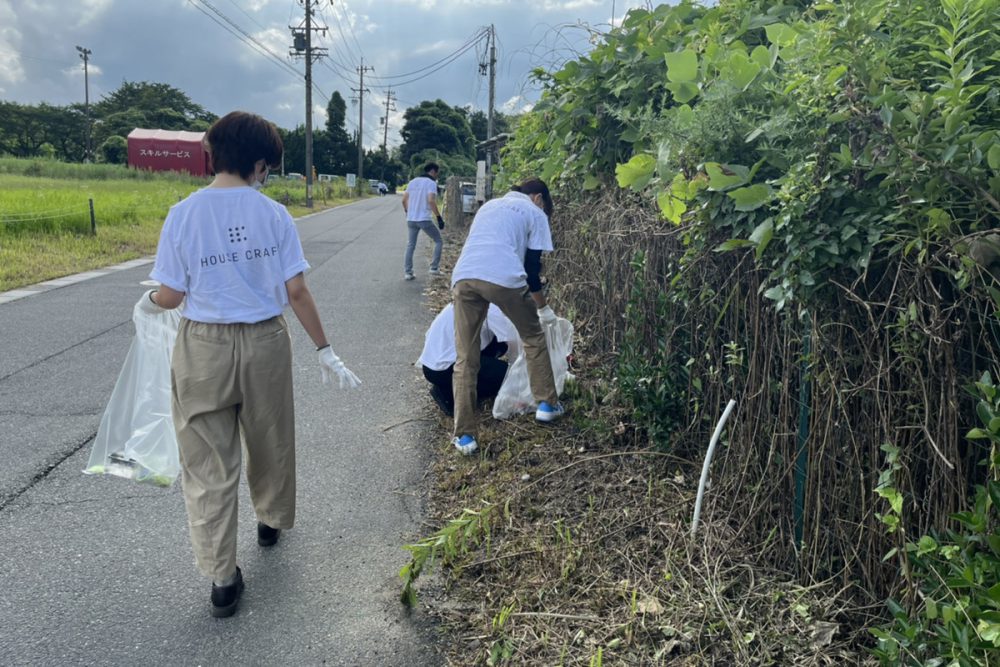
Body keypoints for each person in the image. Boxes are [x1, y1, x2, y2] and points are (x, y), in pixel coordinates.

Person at [138, 110, 361, 618]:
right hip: (265, 341)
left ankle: (222, 578)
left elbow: (172, 295)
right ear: (260, 163)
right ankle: (270, 519)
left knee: (207, 464)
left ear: (214, 154)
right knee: (270, 438)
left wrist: (149, 301)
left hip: (202, 348)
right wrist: (324, 348)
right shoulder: (275, 215)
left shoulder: (183, 213)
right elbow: (297, 291)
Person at [449, 178, 564, 455]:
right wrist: (544, 309)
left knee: (466, 356)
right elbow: (531, 269)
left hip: (464, 277)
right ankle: (547, 404)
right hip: (504, 278)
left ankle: (465, 437)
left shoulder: (489, 206)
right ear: (538, 198)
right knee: (532, 336)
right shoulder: (534, 213)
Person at [419, 303, 520, 417]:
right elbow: (514, 346)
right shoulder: (493, 307)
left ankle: (451, 388)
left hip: (433, 364)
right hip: (445, 369)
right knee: (508, 377)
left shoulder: (472, 293)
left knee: (499, 345)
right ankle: (450, 394)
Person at [401, 162, 444, 280]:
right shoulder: (431, 183)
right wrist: (439, 217)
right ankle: (434, 268)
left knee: (410, 245)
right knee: (438, 240)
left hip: (411, 219)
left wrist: (407, 211)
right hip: (424, 218)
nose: (437, 175)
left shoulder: (412, 182)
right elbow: (431, 200)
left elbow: (404, 200)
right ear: (433, 171)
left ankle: (408, 273)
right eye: (437, 173)